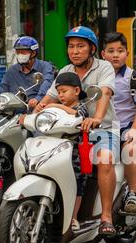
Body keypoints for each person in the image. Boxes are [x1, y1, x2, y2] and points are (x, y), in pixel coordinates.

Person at [36, 26, 120, 237]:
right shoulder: (64, 72)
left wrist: (97, 119)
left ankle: (106, 217)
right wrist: (33, 111)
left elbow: (104, 93)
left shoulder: (104, 68)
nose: (75, 51)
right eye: (71, 46)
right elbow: (49, 99)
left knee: (104, 158)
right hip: (66, 131)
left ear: (92, 48)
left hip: (103, 129)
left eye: (80, 46)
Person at [101, 32, 136, 215]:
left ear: (127, 53)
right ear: (102, 54)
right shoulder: (96, 77)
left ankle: (133, 196)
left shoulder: (135, 78)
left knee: (131, 150)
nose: (115, 55)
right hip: (100, 128)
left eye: (120, 51)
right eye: (111, 51)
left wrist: (135, 130)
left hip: (125, 128)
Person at [43, 72, 89, 231]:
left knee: (77, 183)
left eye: (64, 91)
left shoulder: (81, 106)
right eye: (59, 92)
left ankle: (74, 217)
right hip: (56, 151)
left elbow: (78, 115)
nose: (60, 95)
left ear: (76, 91)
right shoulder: (55, 110)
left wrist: (55, 105)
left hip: (77, 153)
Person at [0, 36, 54, 110]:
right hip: (13, 113)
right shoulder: (12, 70)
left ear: (33, 53)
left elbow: (47, 83)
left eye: (23, 52)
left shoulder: (45, 66)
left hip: (37, 110)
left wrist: (37, 99)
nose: (20, 55)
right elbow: (3, 89)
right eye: (18, 52)